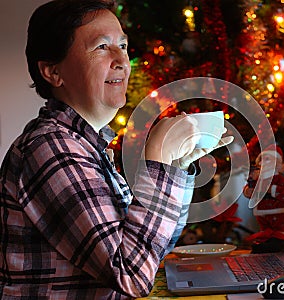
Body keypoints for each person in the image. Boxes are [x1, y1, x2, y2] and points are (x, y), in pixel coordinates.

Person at [0, 0, 233, 298]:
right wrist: (158, 160)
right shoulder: (52, 148)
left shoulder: (86, 144)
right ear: (52, 71)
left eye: (122, 45)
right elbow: (132, 275)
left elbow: (154, 248)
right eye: (101, 47)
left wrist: (175, 168)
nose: (122, 60)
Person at [243, 145, 284, 253]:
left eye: (268, 159)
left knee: (277, 234)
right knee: (264, 229)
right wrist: (248, 189)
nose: (264, 162)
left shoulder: (278, 179)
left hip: (278, 213)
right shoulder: (258, 179)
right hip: (262, 214)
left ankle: (277, 241)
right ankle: (264, 238)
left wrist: (268, 189)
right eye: (262, 159)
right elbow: (249, 190)